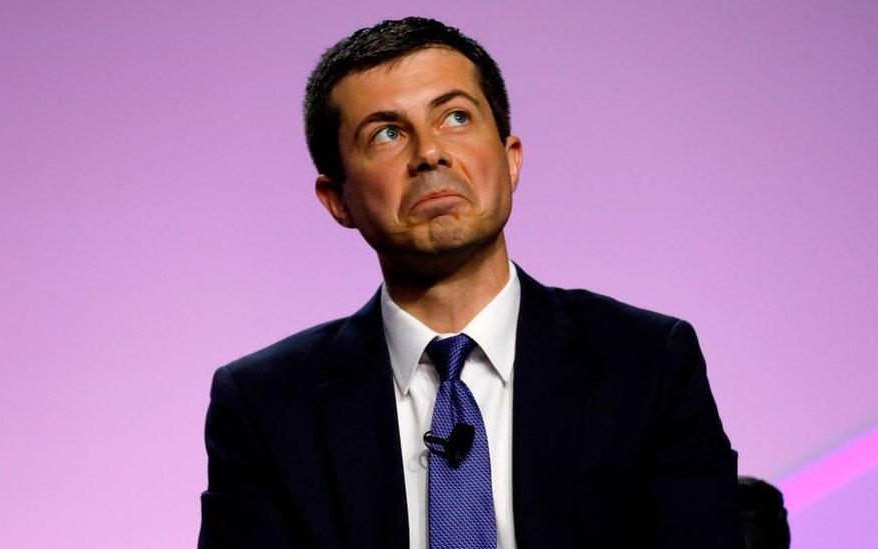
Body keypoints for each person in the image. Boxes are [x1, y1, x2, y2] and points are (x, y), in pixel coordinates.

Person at [198, 16, 743, 549]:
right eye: (387, 133)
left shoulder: (646, 363)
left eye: (456, 118)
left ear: (511, 161)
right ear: (337, 198)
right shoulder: (265, 405)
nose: (429, 153)